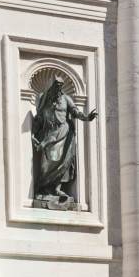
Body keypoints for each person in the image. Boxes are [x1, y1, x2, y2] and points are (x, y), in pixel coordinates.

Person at [31, 75, 97, 208]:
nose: (59, 88)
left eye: (60, 86)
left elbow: (75, 112)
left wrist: (87, 117)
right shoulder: (45, 99)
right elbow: (38, 118)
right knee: (46, 164)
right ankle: (43, 188)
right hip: (49, 135)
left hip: (64, 133)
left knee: (63, 162)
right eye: (56, 85)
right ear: (52, 86)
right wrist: (34, 134)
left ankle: (56, 188)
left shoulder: (66, 99)